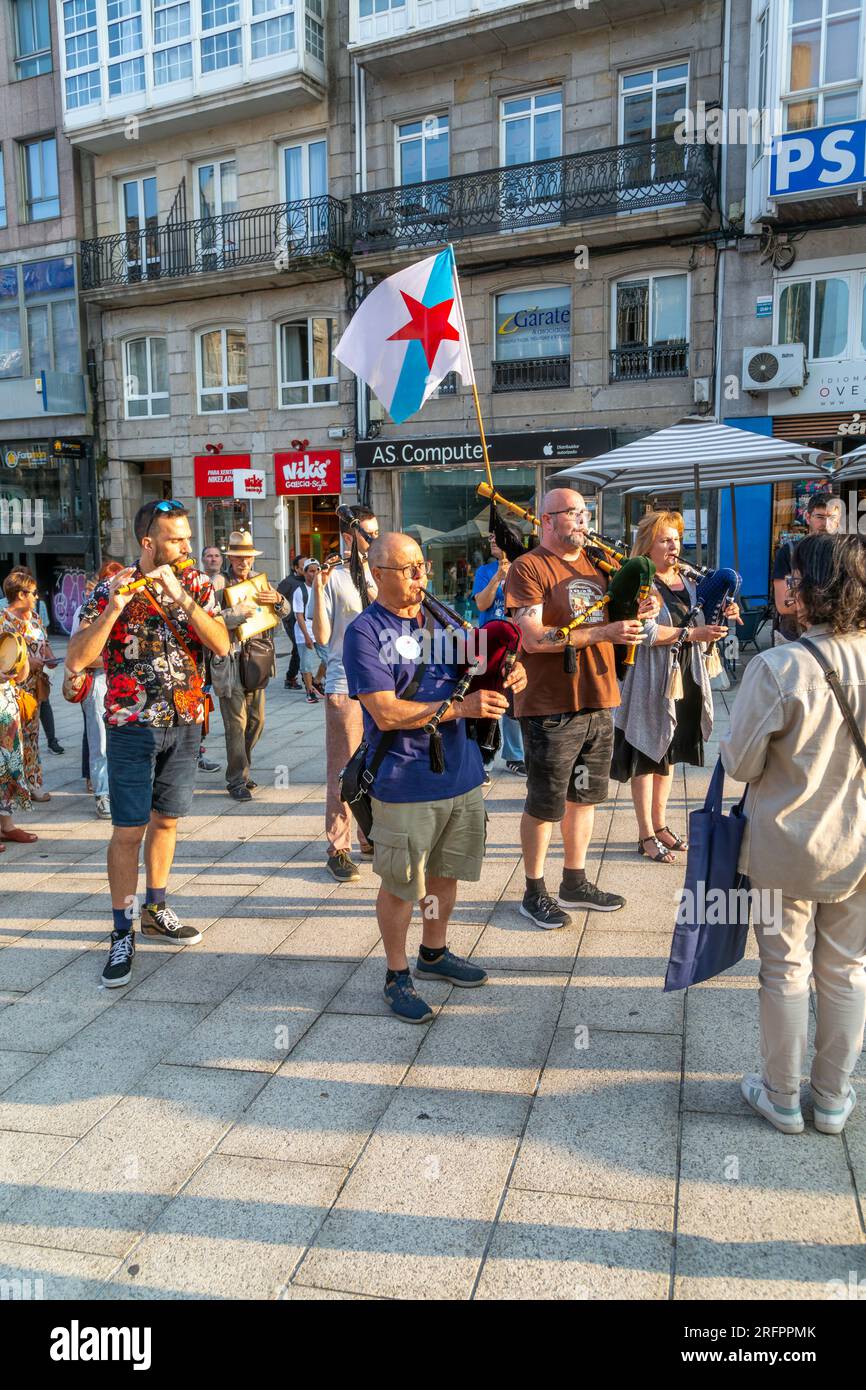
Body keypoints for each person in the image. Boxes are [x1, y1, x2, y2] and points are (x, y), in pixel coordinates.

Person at [342, 532, 526, 1024]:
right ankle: (396, 973)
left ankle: (434, 951)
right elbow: (384, 713)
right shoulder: (364, 632)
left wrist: (509, 674)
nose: (421, 576)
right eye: (408, 569)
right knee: (403, 884)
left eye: (422, 566)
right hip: (405, 780)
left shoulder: (442, 620)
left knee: (445, 875)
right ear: (378, 574)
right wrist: (460, 707)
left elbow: (480, 668)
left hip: (461, 774)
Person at [721, 533, 866, 1137]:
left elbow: (739, 764)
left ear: (806, 588)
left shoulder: (779, 667)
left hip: (786, 845)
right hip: (859, 842)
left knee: (784, 968)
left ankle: (781, 1096)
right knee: (849, 970)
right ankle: (831, 1100)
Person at [68, 499, 230, 989]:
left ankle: (157, 907)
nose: (186, 546)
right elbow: (76, 659)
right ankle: (122, 929)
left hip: (184, 723)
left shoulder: (196, 583)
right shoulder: (110, 590)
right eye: (176, 539)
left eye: (186, 537)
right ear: (148, 542)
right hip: (130, 724)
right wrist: (113, 608)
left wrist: (183, 598)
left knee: (167, 821)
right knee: (127, 831)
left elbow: (221, 643)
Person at [504, 488, 659, 929]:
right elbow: (533, 638)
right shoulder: (528, 567)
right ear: (547, 521)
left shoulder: (598, 564)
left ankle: (575, 880)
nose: (582, 521)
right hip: (550, 704)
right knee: (545, 802)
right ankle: (534, 891)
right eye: (572, 513)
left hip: (599, 697)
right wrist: (604, 631)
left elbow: (627, 610)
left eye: (585, 513)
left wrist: (641, 607)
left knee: (585, 797)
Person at [611, 511, 739, 863]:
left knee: (668, 752)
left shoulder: (689, 578)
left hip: (683, 672)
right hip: (650, 675)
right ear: (648, 544)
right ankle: (645, 834)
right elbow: (648, 633)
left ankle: (661, 823)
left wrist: (724, 611)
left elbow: (703, 614)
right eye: (666, 539)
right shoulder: (641, 582)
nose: (674, 546)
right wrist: (692, 634)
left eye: (677, 539)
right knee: (646, 753)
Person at [308, 505, 379, 882]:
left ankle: (370, 835)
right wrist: (318, 589)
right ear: (351, 535)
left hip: (384, 681)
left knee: (378, 763)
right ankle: (339, 846)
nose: (376, 539)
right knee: (344, 767)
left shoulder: (381, 570)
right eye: (370, 533)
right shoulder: (332, 577)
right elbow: (321, 636)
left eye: (378, 532)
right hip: (344, 682)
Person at [217, 530, 290, 802]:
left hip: (256, 658)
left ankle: (241, 768)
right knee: (236, 723)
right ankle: (236, 779)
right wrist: (236, 615)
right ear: (230, 558)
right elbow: (207, 620)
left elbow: (285, 612)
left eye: (247, 557)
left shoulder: (261, 582)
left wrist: (279, 601)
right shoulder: (218, 583)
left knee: (256, 722)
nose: (243, 562)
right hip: (231, 660)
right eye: (238, 557)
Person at [71, 562, 124, 819]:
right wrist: (113, 657)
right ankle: (103, 793)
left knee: (127, 740)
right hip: (99, 679)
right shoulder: (87, 610)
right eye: (110, 580)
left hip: (126, 681)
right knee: (100, 740)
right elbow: (77, 655)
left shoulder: (131, 609)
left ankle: (121, 790)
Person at [471, 532, 525, 776]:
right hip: (489, 641)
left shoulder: (526, 566)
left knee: (513, 698)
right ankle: (484, 757)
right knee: (488, 697)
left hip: (517, 641)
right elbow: (482, 604)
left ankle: (515, 755)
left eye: (497, 538)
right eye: (490, 539)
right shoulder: (485, 570)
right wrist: (497, 578)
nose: (492, 542)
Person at [1, 568, 55, 802]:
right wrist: (26, 662)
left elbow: (46, 645)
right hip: (11, 691)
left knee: (32, 738)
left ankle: (33, 783)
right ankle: (13, 789)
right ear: (20, 594)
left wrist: (50, 658)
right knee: (11, 741)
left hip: (34, 689)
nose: (36, 597)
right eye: (33, 593)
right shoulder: (3, 621)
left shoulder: (35, 618)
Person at [772, 492, 841, 645]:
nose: (826, 524)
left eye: (832, 518)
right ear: (808, 517)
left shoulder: (843, 555)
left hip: (834, 638)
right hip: (794, 637)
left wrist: (804, 602)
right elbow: (784, 605)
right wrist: (833, 606)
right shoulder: (790, 552)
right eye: (820, 517)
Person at [0, 638, 36, 846]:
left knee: (10, 767)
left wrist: (22, 657)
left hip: (7, 708)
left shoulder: (7, 633)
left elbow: (21, 676)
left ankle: (6, 825)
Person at [196, 546, 225, 772]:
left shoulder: (227, 582)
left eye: (216, 555)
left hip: (222, 655)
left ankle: (196, 751)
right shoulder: (197, 583)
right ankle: (195, 753)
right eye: (209, 556)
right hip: (200, 658)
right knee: (199, 708)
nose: (213, 559)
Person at [293, 560, 327, 703]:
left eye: (316, 570)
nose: (314, 573)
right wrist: (306, 636)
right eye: (311, 571)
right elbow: (299, 615)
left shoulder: (322, 588)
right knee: (306, 664)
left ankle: (317, 681)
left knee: (328, 658)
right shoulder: (300, 590)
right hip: (304, 632)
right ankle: (309, 691)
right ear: (305, 572)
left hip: (320, 631)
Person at [278, 556, 305, 689]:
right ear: (295, 568)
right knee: (299, 647)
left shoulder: (311, 579)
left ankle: (296, 677)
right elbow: (278, 600)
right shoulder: (288, 582)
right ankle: (291, 678)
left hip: (307, 620)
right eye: (303, 566)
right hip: (291, 620)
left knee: (303, 648)